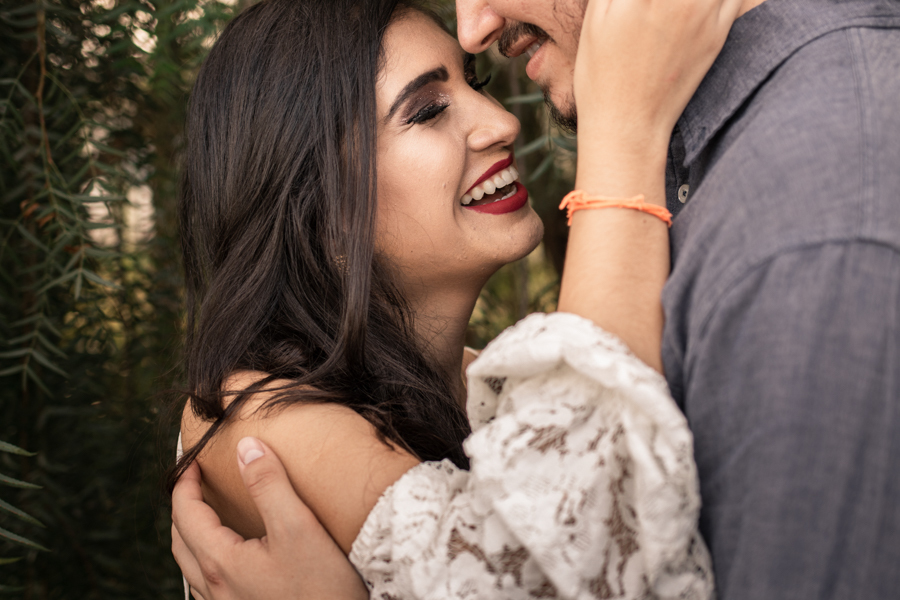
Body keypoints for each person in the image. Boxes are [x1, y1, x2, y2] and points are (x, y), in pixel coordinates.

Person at [174, 0, 900, 597]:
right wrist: (624, 133)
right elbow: (582, 560)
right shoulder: (251, 420)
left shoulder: (481, 389)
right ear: (316, 211)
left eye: (474, 85)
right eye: (427, 110)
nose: (503, 123)